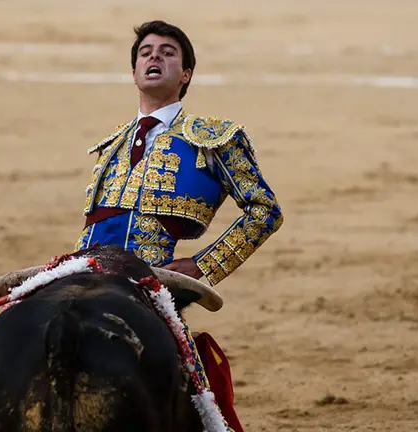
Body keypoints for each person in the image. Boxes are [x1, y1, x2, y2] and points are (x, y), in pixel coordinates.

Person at [74, 20, 284, 431]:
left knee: (192, 401)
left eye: (168, 52)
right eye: (145, 52)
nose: (155, 56)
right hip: (82, 273)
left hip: (150, 283)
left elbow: (265, 211)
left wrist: (204, 266)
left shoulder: (215, 138)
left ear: (185, 74)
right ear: (134, 71)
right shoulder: (111, 145)